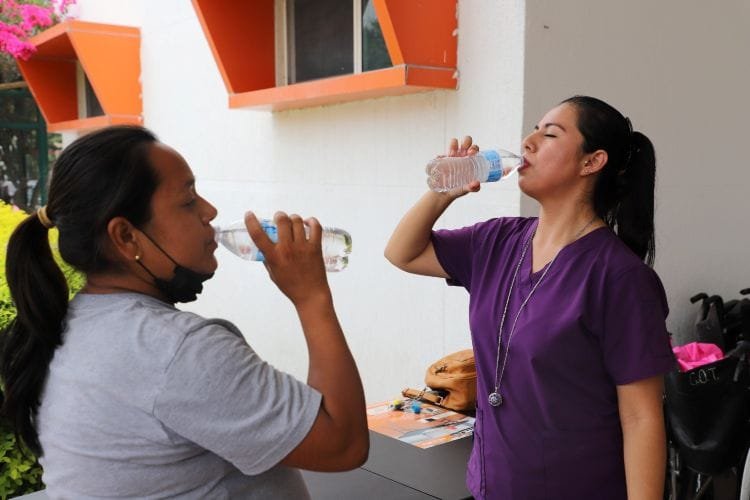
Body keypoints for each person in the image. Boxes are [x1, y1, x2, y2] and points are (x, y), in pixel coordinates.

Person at [0, 126, 368, 499]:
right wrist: (311, 298)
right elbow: (343, 445)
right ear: (126, 237)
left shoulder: (66, 325)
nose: (210, 211)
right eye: (188, 200)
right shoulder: (178, 350)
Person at [385, 96, 674, 499]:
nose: (528, 141)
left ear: (592, 162)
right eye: (534, 129)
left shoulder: (621, 278)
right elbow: (403, 253)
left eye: (550, 134)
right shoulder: (497, 240)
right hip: (493, 485)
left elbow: (642, 418)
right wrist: (442, 193)